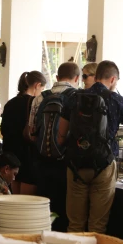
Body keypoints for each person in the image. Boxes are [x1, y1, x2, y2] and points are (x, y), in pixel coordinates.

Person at [58, 60, 123, 233]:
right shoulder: (117, 100)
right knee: (97, 224)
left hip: (75, 165)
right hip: (104, 166)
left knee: (75, 223)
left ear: (97, 75)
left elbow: (61, 136)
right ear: (113, 79)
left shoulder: (73, 98)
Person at [28, 62, 80, 232]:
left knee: (43, 204)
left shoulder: (40, 97)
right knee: (64, 205)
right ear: (77, 78)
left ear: (56, 78)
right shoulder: (77, 97)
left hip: (42, 159)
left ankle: (41, 235)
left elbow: (32, 132)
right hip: (66, 161)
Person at [2, 71, 47, 195]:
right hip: (28, 156)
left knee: (15, 199)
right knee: (27, 202)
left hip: (12, 156)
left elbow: (3, 130)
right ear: (37, 85)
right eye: (42, 88)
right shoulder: (35, 103)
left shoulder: (10, 103)